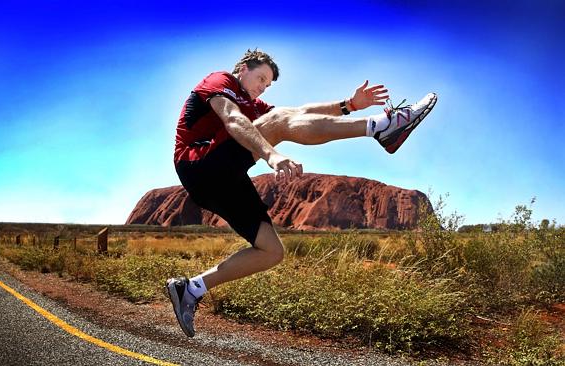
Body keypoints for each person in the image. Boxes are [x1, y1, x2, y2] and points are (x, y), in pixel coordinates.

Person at [166, 49, 437, 337]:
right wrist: (270, 154)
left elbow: (302, 114)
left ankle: (191, 289)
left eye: (267, 84)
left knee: (271, 251)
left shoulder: (253, 104)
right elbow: (233, 119)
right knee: (280, 119)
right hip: (199, 165)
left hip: (223, 180)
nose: (262, 87)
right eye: (261, 78)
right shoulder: (220, 81)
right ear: (243, 68)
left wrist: (349, 105)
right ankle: (380, 128)